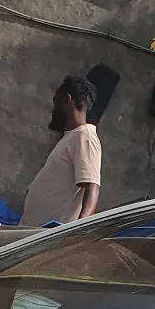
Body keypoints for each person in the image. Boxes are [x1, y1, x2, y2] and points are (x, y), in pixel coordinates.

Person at [19, 75, 101, 227]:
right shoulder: (72, 137)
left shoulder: (85, 136)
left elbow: (92, 188)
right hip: (33, 231)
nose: (53, 109)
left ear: (67, 100)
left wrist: (75, 232)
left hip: (46, 236)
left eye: (55, 101)